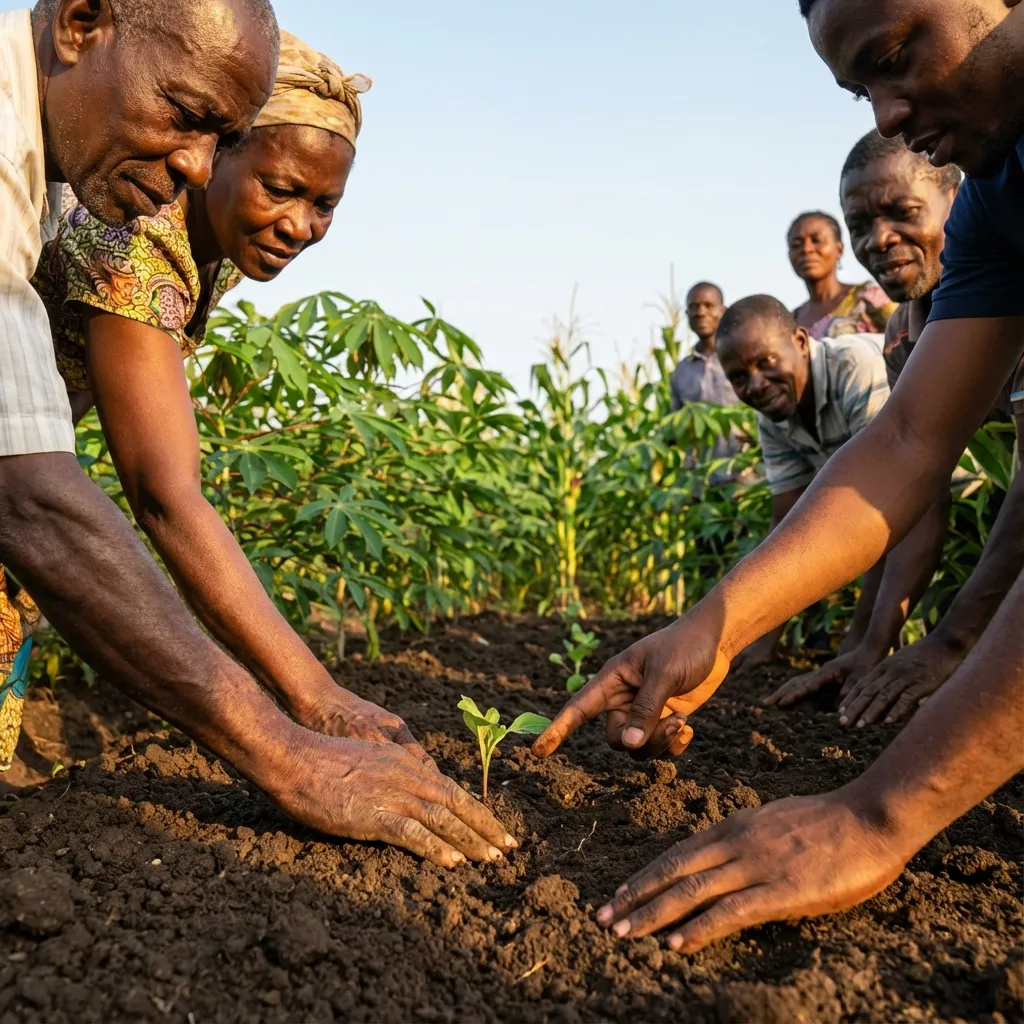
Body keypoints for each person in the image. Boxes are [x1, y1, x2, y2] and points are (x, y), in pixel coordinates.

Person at [532, 0, 1024, 949]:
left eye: (893, 56)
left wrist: (879, 813)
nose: (883, 116)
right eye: (859, 88)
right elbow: (912, 439)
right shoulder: (1002, 193)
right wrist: (712, 628)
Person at [0, 0, 513, 868]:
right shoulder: (133, 230)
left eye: (325, 205)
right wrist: (300, 718)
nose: (300, 224)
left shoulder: (162, 216)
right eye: (279, 187)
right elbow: (152, 493)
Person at [767, 131, 965, 711]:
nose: (879, 239)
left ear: (957, 197)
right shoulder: (903, 336)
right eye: (860, 225)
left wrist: (951, 643)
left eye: (903, 212)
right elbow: (917, 490)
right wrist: (871, 644)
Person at [716, 296, 891, 674]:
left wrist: (863, 642)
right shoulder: (774, 418)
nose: (757, 385)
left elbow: (889, 510)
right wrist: (760, 642)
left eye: (766, 362)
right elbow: (787, 528)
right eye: (740, 377)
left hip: (974, 491)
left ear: (799, 341)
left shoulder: (854, 367)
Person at [668, 282, 743, 477]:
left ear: (723, 311)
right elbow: (676, 430)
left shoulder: (742, 358)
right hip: (700, 480)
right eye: (693, 307)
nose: (700, 312)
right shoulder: (681, 371)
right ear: (686, 314)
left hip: (744, 474)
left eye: (708, 306)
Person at [789, 210, 897, 339]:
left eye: (816, 240)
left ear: (839, 249)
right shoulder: (789, 322)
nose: (806, 249)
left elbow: (907, 341)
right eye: (796, 245)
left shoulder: (868, 298)